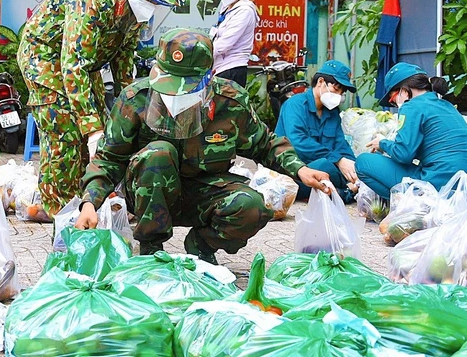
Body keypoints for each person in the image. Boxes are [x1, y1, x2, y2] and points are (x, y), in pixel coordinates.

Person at [74, 29, 331, 264]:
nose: (175, 94)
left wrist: (300, 170)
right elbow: (108, 159)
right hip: (150, 194)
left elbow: (264, 144)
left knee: (252, 207)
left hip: (206, 191)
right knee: (158, 153)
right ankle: (151, 251)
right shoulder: (135, 100)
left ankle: (201, 247)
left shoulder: (230, 101)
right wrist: (89, 204)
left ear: (208, 78)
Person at [18, 0, 188, 215]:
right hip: (45, 55)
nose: (152, 4)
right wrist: (92, 129)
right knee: (65, 130)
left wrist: (130, 104)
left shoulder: (135, 4)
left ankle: (87, 200)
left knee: (103, 126)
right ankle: (60, 212)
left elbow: (123, 55)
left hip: (88, 62)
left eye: (159, 1)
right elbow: (74, 65)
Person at [356, 62, 467, 199]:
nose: (395, 104)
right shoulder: (446, 105)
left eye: (392, 99)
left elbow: (403, 154)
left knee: (363, 162)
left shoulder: (411, 107)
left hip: (442, 185)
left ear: (404, 91)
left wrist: (382, 143)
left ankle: (412, 205)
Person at [274, 60, 358, 203]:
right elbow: (298, 142)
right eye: (336, 89)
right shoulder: (295, 104)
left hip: (321, 169)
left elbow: (340, 144)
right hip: (294, 169)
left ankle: (344, 190)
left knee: (358, 168)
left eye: (342, 92)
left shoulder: (332, 112)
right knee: (324, 167)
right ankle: (345, 191)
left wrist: (354, 168)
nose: (339, 96)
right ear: (320, 82)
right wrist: (338, 160)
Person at [209, 0, 259, 87]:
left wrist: (200, 53)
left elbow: (224, 44)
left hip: (232, 70)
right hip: (220, 68)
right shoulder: (227, 7)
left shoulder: (245, 11)